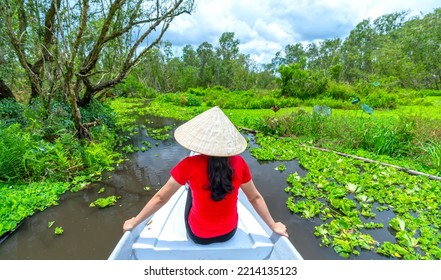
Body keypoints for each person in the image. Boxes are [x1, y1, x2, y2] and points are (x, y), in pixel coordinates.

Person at [123, 106, 288, 244]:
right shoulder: (240, 163)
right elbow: (255, 198)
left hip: (199, 236)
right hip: (229, 233)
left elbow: (161, 198)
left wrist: (135, 221)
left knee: (189, 192)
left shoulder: (189, 164)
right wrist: (273, 225)